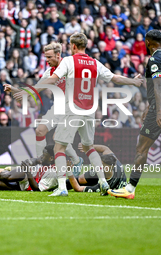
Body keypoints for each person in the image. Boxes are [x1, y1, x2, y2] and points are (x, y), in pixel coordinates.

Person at [15, 33, 142, 196]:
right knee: (89, 147)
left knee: (59, 147)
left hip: (72, 108)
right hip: (90, 110)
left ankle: (61, 188)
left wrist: (30, 91)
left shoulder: (69, 61)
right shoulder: (95, 62)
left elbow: (52, 79)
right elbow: (115, 78)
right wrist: (133, 81)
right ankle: (103, 182)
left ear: (73, 46)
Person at [4, 42, 83, 176]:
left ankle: (76, 161)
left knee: (57, 138)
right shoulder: (49, 72)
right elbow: (37, 88)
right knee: (40, 131)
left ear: (58, 55)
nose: (46, 61)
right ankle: (39, 166)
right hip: (58, 106)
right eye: (45, 57)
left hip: (72, 107)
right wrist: (15, 90)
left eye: (49, 57)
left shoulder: (69, 65)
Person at [108, 30, 161, 199]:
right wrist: (149, 106)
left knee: (141, 148)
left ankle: (129, 188)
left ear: (147, 42)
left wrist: (157, 110)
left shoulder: (155, 59)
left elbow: (158, 86)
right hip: (154, 107)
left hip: (158, 110)